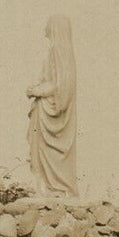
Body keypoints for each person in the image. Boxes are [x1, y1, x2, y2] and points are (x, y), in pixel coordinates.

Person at [26, 15, 78, 197]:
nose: (45, 27)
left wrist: (36, 91)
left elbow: (60, 85)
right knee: (40, 152)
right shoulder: (61, 52)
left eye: (48, 24)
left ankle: (54, 188)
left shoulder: (58, 51)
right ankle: (48, 189)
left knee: (45, 152)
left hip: (50, 111)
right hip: (46, 109)